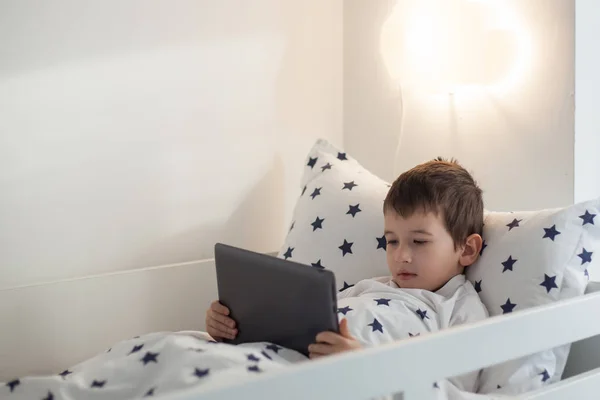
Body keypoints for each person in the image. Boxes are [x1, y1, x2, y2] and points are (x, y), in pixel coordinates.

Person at [205, 157, 488, 389]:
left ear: (466, 249)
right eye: (392, 241)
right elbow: (297, 326)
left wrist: (363, 368)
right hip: (282, 363)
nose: (401, 255)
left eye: (419, 241)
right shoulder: (367, 288)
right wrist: (232, 325)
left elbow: (454, 390)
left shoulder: (459, 309)